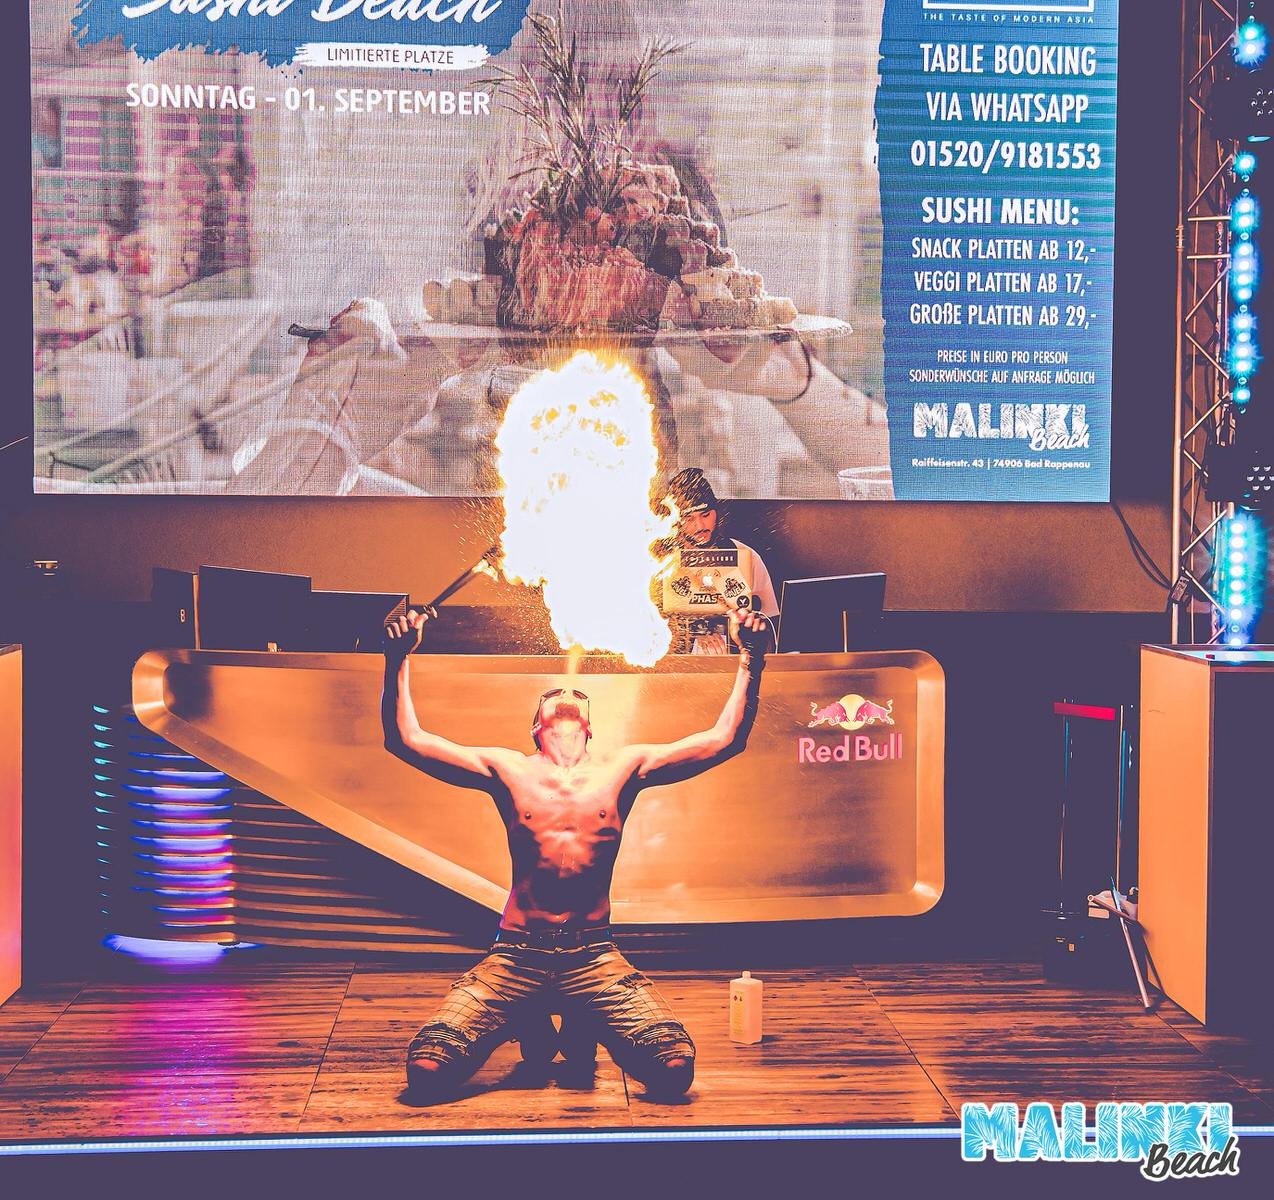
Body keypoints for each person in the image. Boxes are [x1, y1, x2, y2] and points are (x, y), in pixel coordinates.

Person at [382, 599, 769, 1102]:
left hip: (593, 955)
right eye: (553, 693)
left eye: (576, 694)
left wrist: (751, 659)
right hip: (516, 954)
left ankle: (576, 1016)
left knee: (674, 1069)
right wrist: (397, 659)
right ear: (535, 726)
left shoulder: (624, 767)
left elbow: (725, 739)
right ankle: (534, 1015)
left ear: (589, 726)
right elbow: (405, 740)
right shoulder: (507, 768)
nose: (566, 693)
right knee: (427, 1070)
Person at [661, 467, 779, 655]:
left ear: (716, 513)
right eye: (689, 519)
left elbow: (772, 635)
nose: (700, 526)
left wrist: (749, 635)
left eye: (706, 515)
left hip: (736, 662)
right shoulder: (659, 566)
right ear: (675, 522)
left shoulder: (746, 557)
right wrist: (693, 637)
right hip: (676, 667)